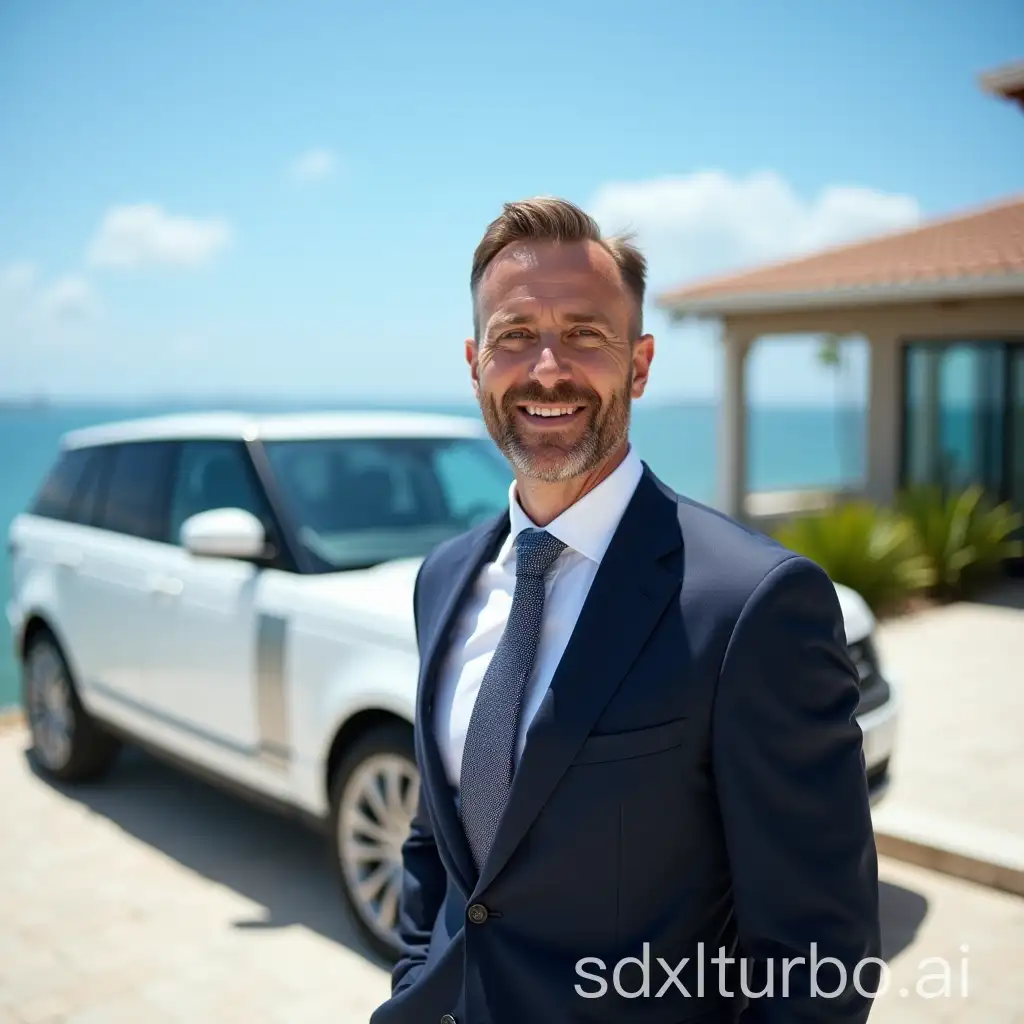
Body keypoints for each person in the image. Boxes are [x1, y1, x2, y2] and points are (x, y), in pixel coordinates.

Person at [369, 197, 881, 1024]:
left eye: (584, 334)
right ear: (474, 362)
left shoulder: (753, 606)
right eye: (514, 335)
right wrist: (411, 992)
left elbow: (819, 953)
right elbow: (440, 841)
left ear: (639, 365)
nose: (545, 369)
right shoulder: (445, 578)